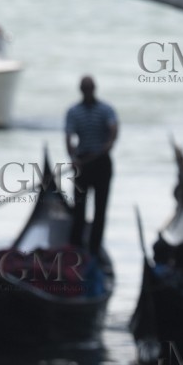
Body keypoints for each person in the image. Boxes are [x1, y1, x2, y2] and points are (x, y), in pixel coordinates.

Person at [64, 76, 118, 254]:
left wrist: (107, 147)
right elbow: (69, 137)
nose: (87, 91)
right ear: (81, 90)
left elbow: (113, 130)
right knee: (79, 207)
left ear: (94, 88)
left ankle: (94, 248)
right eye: (85, 88)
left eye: (90, 88)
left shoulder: (105, 109)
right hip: (82, 163)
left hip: (101, 162)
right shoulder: (73, 111)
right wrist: (73, 158)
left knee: (100, 209)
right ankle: (76, 246)